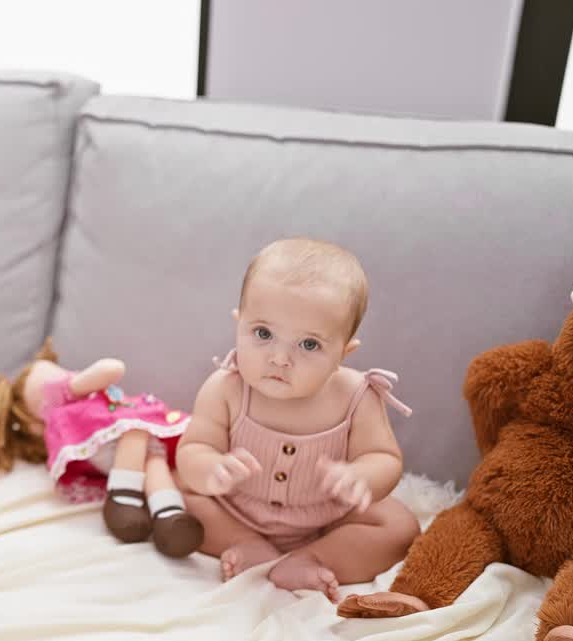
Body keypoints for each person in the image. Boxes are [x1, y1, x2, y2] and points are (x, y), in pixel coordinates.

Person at [175, 237, 418, 602]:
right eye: (263, 334)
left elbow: (384, 457)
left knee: (400, 527)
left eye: (308, 345)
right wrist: (211, 468)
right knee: (183, 494)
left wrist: (361, 477)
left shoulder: (356, 396)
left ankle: (314, 558)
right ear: (238, 326)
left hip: (329, 519)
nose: (280, 358)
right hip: (235, 511)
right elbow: (194, 447)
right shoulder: (225, 388)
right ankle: (246, 545)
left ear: (343, 353)